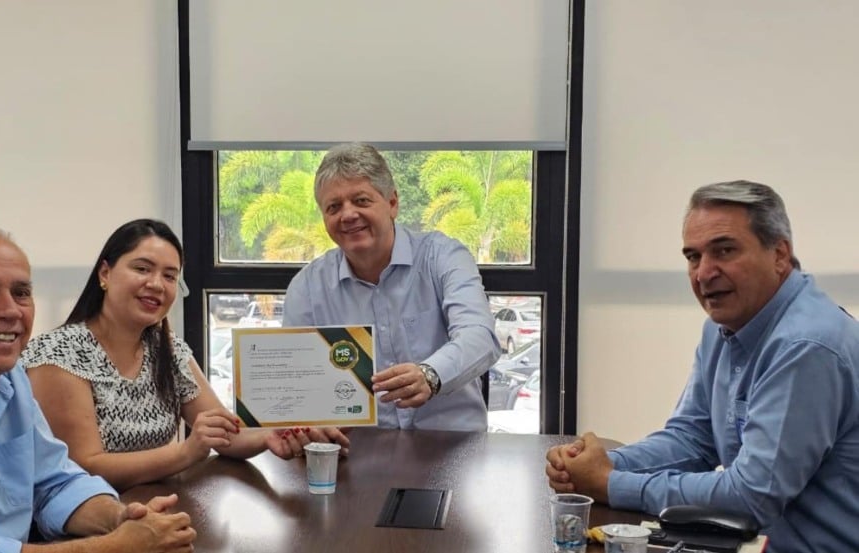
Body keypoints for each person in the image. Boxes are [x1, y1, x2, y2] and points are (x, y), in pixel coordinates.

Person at [546, 181, 859, 551]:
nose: (703, 273)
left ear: (779, 254)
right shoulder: (724, 327)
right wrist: (595, 464)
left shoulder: (805, 346)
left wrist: (610, 482)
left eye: (724, 250)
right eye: (693, 257)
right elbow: (692, 439)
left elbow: (750, 496)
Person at [0, 224, 195, 551]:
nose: (10, 310)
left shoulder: (8, 378)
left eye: (21, 293)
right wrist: (116, 547)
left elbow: (54, 483)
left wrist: (123, 518)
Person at [22, 219, 348, 492]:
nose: (157, 284)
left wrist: (271, 435)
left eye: (169, 275)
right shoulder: (59, 354)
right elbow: (85, 467)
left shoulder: (167, 347)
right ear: (104, 274)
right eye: (142, 268)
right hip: (89, 523)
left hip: (159, 508)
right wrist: (186, 452)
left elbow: (225, 434)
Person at [283, 142, 502, 431]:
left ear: (393, 203)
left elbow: (480, 336)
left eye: (361, 201)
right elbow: (294, 382)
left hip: (453, 449)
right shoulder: (306, 288)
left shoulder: (443, 257)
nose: (347, 215)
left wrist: (430, 375)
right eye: (333, 207)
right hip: (356, 455)